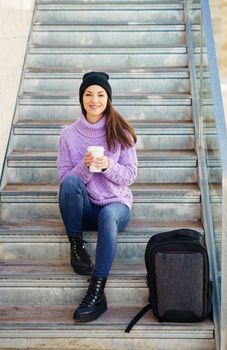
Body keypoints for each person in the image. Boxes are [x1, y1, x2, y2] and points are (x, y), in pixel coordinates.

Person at [56, 71, 138, 322]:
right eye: (89, 94)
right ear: (81, 99)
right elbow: (65, 182)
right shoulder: (68, 135)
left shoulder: (121, 132)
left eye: (100, 94)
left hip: (116, 205)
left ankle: (97, 289)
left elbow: (130, 176)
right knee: (71, 181)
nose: (95, 99)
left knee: (109, 213)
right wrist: (85, 166)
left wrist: (107, 166)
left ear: (108, 99)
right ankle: (77, 246)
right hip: (87, 208)